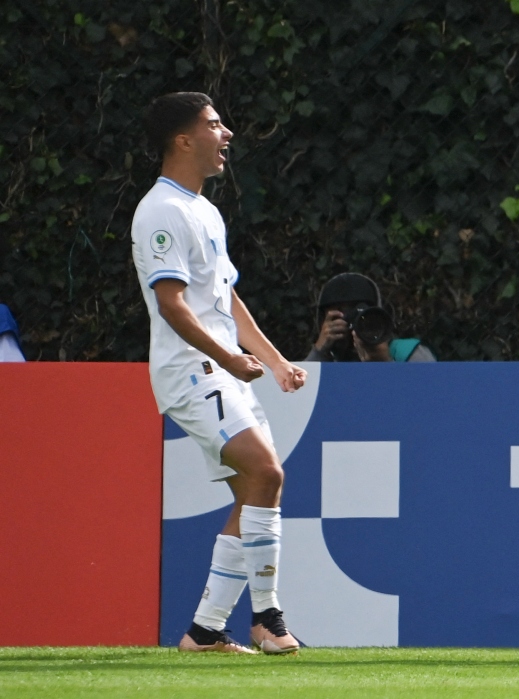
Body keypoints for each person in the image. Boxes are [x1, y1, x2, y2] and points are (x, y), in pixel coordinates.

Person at [131, 92, 306, 655]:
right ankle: (268, 618)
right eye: (213, 124)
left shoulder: (204, 209)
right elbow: (173, 304)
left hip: (220, 371)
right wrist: (229, 359)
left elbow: (225, 299)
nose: (226, 132)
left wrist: (274, 360)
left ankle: (205, 632)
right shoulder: (161, 210)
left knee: (254, 490)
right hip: (192, 371)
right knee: (267, 472)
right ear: (183, 140)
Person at [305, 272, 435, 363]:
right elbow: (298, 397)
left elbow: (432, 395)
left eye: (358, 310)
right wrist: (319, 351)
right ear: (324, 321)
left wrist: (385, 362)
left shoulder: (407, 353)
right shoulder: (326, 362)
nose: (351, 318)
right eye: (340, 311)